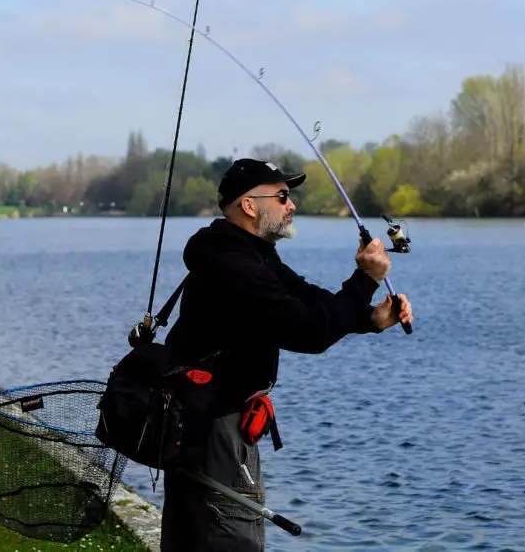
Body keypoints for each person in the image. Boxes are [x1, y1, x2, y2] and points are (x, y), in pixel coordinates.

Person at [160, 158, 413, 552]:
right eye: (282, 196)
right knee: (231, 538)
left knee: (199, 534)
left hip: (209, 420)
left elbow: (312, 304)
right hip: (213, 427)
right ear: (249, 205)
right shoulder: (234, 265)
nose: (291, 205)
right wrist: (365, 279)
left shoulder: (250, 254)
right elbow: (310, 333)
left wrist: (369, 318)